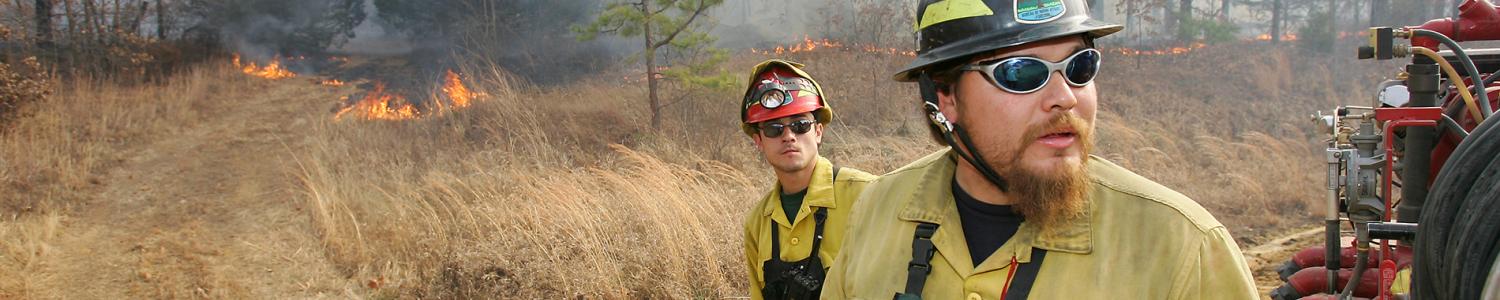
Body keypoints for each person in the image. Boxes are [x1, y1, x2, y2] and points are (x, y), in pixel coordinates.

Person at [820, 0, 1259, 299]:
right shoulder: (878, 211)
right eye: (1021, 71)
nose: (1065, 96)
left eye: (1079, 66)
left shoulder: (1182, 247)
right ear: (945, 96)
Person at [739, 59, 878, 299]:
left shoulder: (868, 195)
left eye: (800, 125)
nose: (789, 136)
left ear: (818, 131)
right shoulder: (758, 223)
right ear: (759, 141)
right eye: (774, 129)